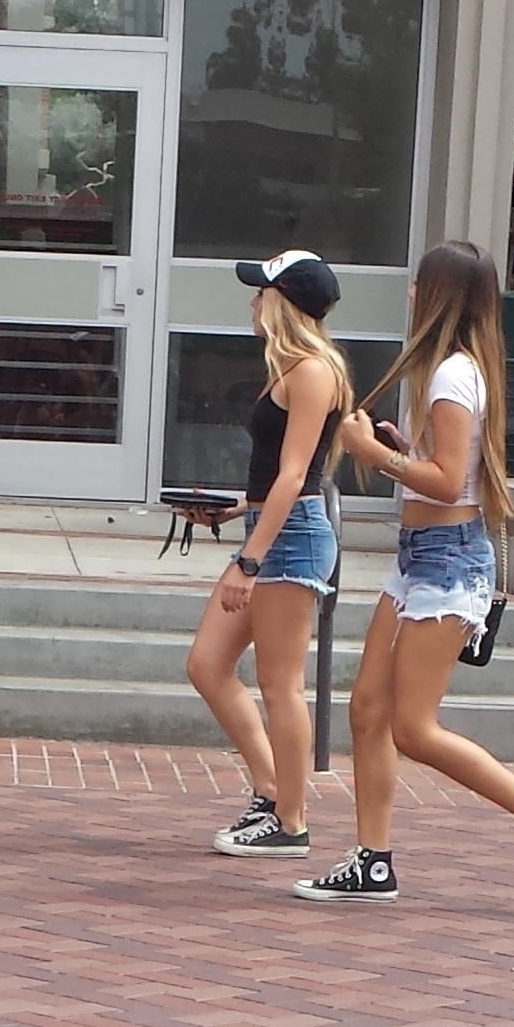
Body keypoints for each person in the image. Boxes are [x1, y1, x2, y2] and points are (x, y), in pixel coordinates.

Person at [295, 242, 514, 906]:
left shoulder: (453, 375)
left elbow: (450, 482)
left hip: (448, 562)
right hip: (422, 557)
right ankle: (372, 861)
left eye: (419, 285)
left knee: (413, 727)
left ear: (438, 296)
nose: (409, 294)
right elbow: (449, 470)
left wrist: (372, 454)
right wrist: (403, 452)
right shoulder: (455, 370)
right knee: (367, 709)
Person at [187, 248, 353, 861]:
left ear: (285, 304)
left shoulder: (311, 371)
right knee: (207, 664)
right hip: (272, 527)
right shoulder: (290, 368)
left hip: (292, 538)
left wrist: (249, 561)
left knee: (281, 685)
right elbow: (277, 477)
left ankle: (291, 820)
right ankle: (272, 792)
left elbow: (295, 477)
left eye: (262, 292)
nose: (253, 302)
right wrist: (234, 509)